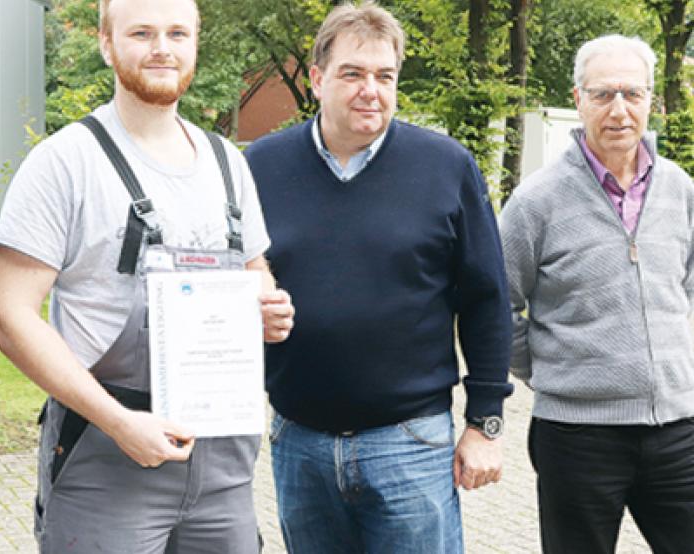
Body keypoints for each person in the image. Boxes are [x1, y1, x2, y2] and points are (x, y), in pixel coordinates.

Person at [0, 0, 295, 551]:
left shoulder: (229, 163)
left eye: (178, 33)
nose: (162, 48)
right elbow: (9, 317)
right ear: (107, 44)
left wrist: (269, 306)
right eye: (142, 33)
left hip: (223, 460)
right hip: (105, 451)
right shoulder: (64, 163)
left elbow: (255, 272)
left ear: (196, 44)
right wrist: (118, 421)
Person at [245, 2, 513, 552]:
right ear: (318, 80)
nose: (371, 89)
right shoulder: (260, 167)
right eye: (352, 74)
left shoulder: (446, 166)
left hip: (411, 443)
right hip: (299, 442)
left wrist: (484, 423)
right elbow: (234, 278)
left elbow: (487, 299)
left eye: (384, 76)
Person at [500, 34, 694, 553]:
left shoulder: (681, 190)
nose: (619, 110)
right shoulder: (535, 201)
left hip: (679, 430)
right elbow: (499, 305)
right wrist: (544, 368)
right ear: (578, 98)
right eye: (603, 94)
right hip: (577, 436)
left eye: (633, 94)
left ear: (653, 100)